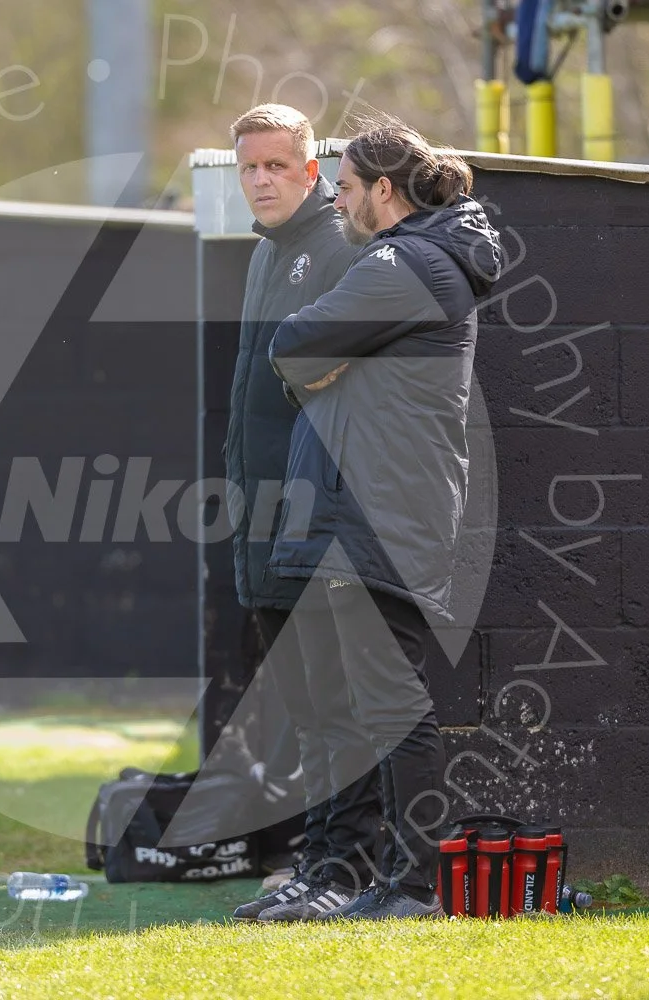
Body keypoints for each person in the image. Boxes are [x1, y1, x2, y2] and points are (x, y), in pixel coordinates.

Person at [263, 120, 502, 920]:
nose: (335, 195)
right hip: (348, 507)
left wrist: (325, 366)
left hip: (378, 511)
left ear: (383, 192)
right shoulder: (397, 262)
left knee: (390, 704)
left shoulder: (406, 262)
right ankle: (335, 875)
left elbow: (292, 347)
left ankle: (409, 889)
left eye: (347, 184)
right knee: (340, 707)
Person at [215, 104, 383, 924]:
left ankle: (345, 872)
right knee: (306, 707)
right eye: (249, 167)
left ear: (312, 170)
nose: (262, 180)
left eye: (278, 166)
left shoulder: (340, 247)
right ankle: (317, 863)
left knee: (337, 704)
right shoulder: (264, 255)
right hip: (263, 518)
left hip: (319, 522)